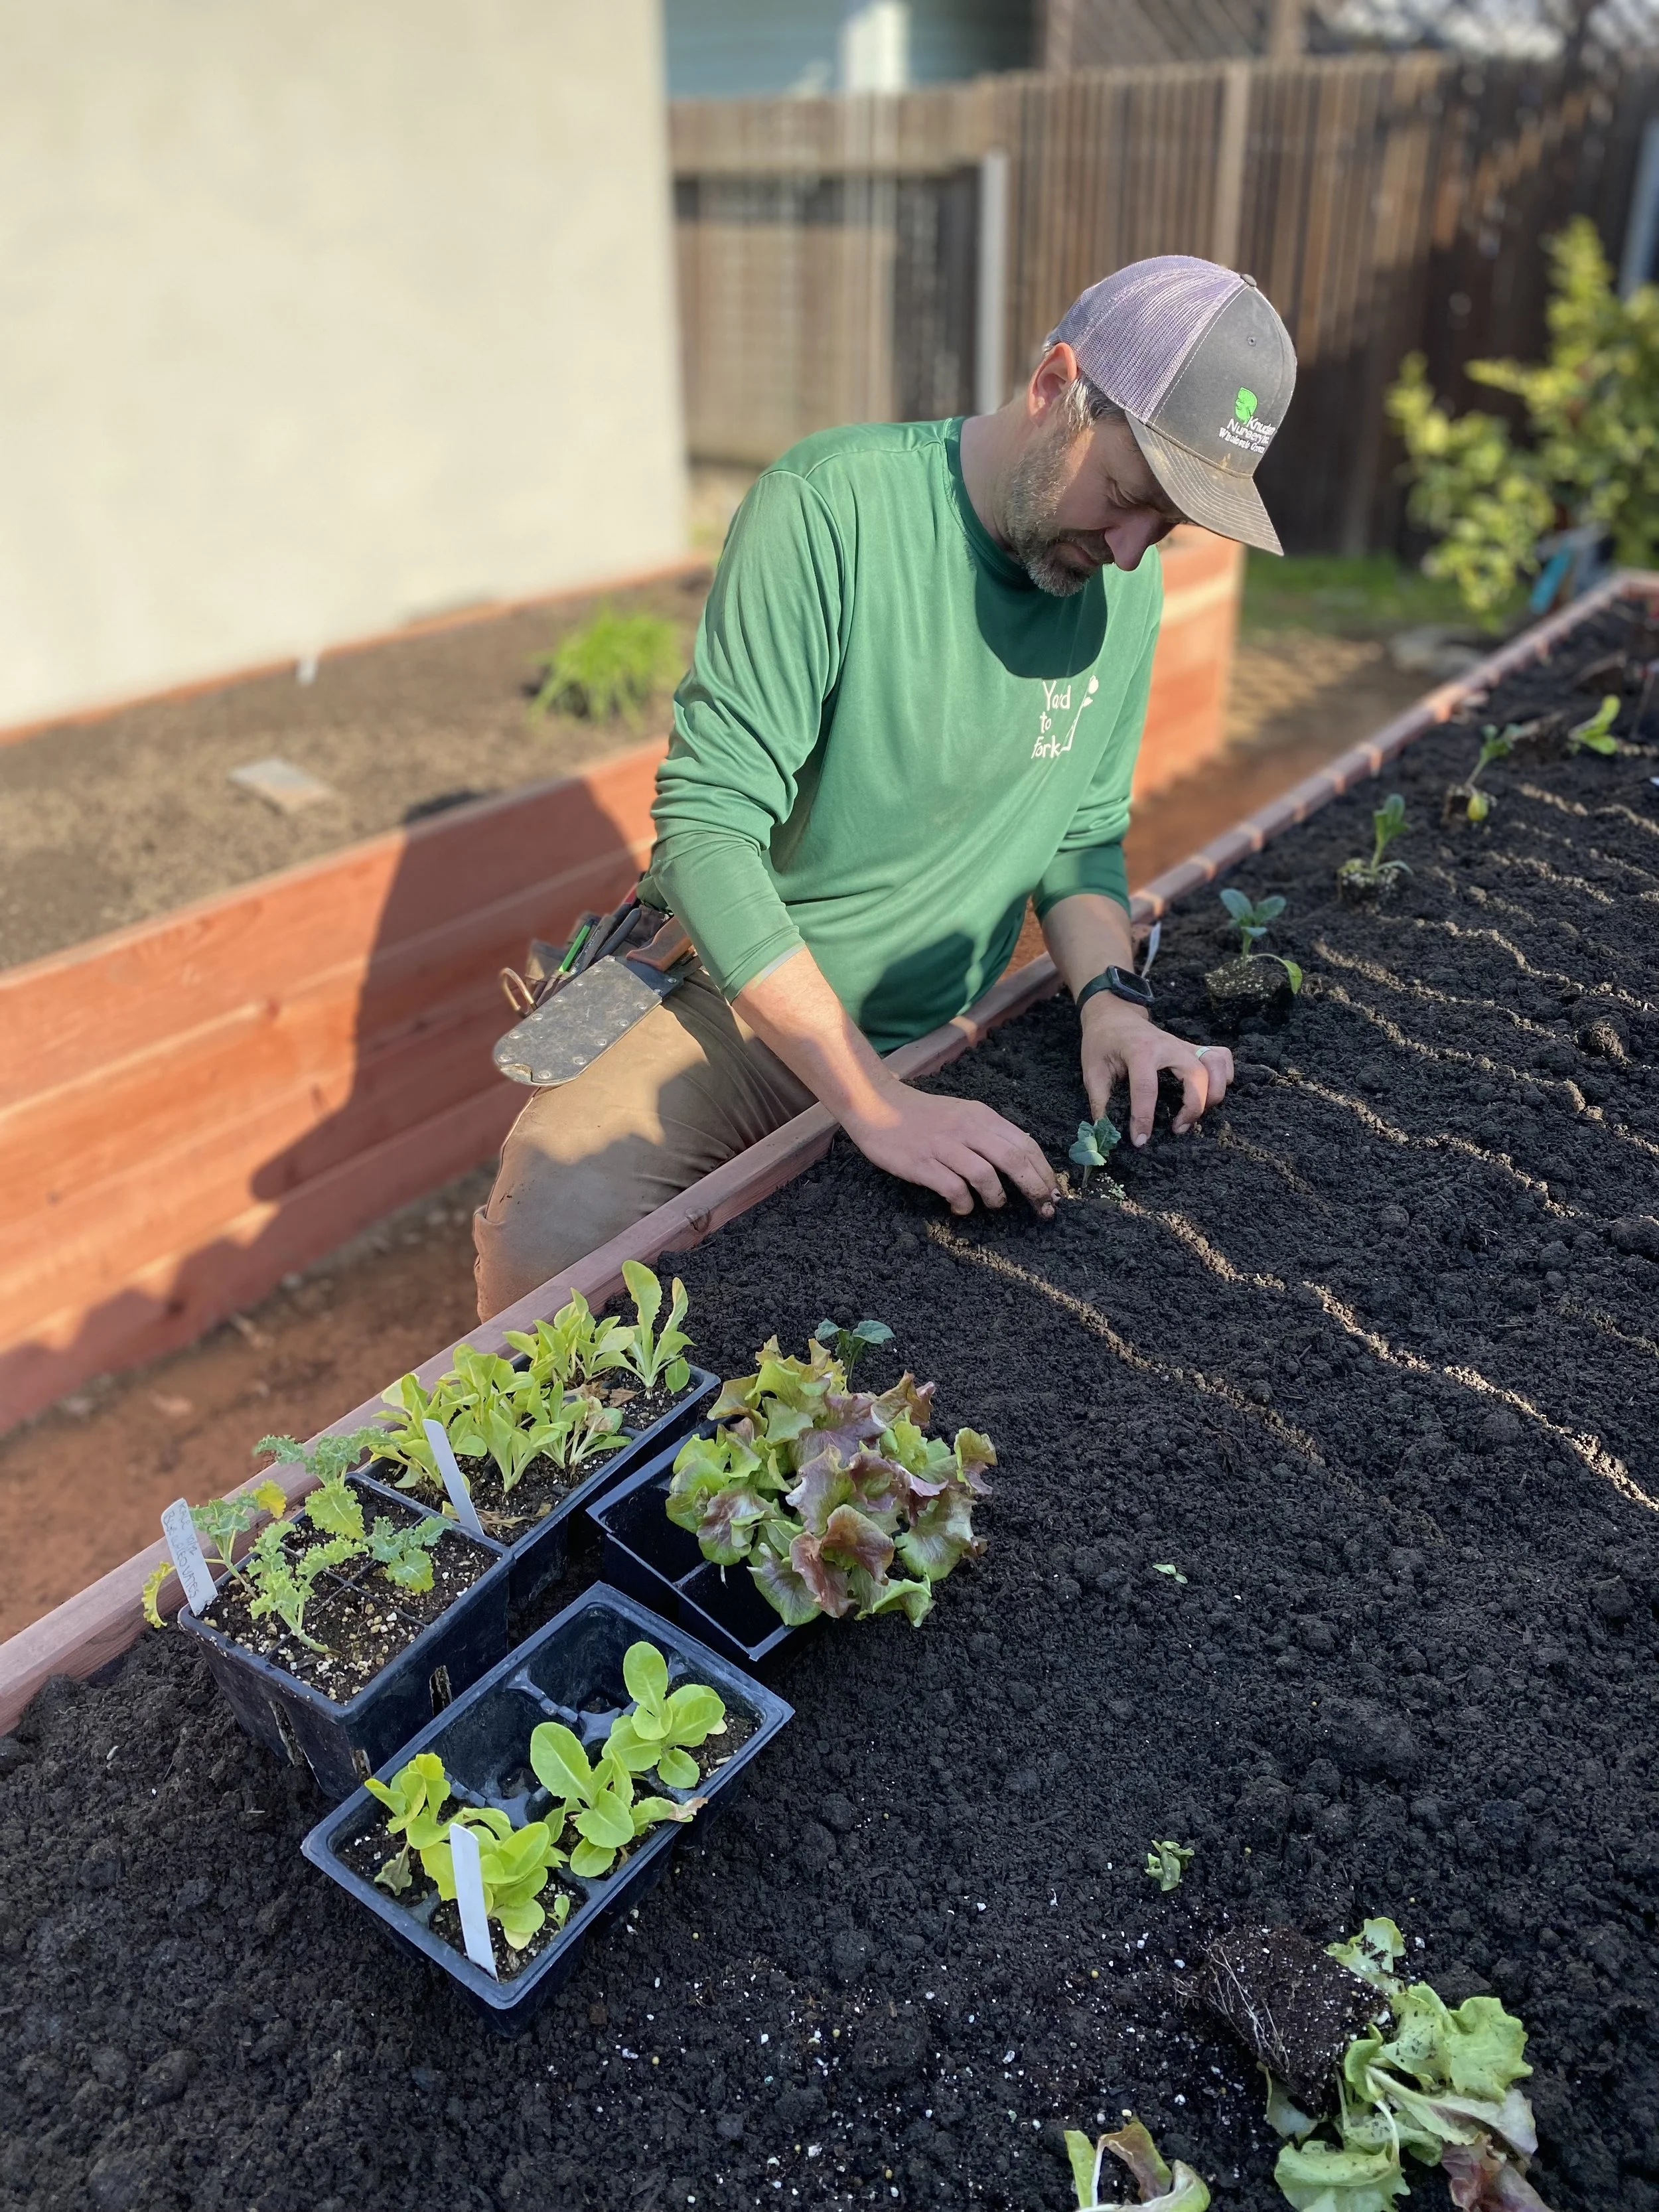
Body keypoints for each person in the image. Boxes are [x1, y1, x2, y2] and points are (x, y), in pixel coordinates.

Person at [474, 254, 1297, 1318]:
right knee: (548, 1249)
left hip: (942, 1026)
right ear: (1055, 387)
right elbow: (707, 829)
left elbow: (1081, 838)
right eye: (1128, 496)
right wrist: (873, 1101)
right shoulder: (830, 510)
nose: (1135, 551)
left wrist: (1113, 1007)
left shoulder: (1118, 593)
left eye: (1168, 527)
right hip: (728, 1011)